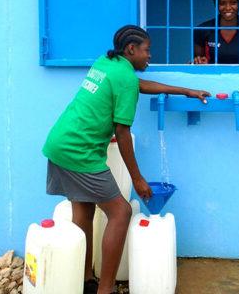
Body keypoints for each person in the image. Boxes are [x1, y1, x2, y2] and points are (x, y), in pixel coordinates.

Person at [42, 25, 210, 294]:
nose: (149, 56)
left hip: (61, 142)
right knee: (120, 212)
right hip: (80, 150)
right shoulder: (124, 77)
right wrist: (138, 179)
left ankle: (85, 280)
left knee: (83, 213)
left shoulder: (106, 63)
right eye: (146, 50)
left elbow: (137, 85)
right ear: (131, 49)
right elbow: (122, 133)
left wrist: (186, 91)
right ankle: (105, 289)